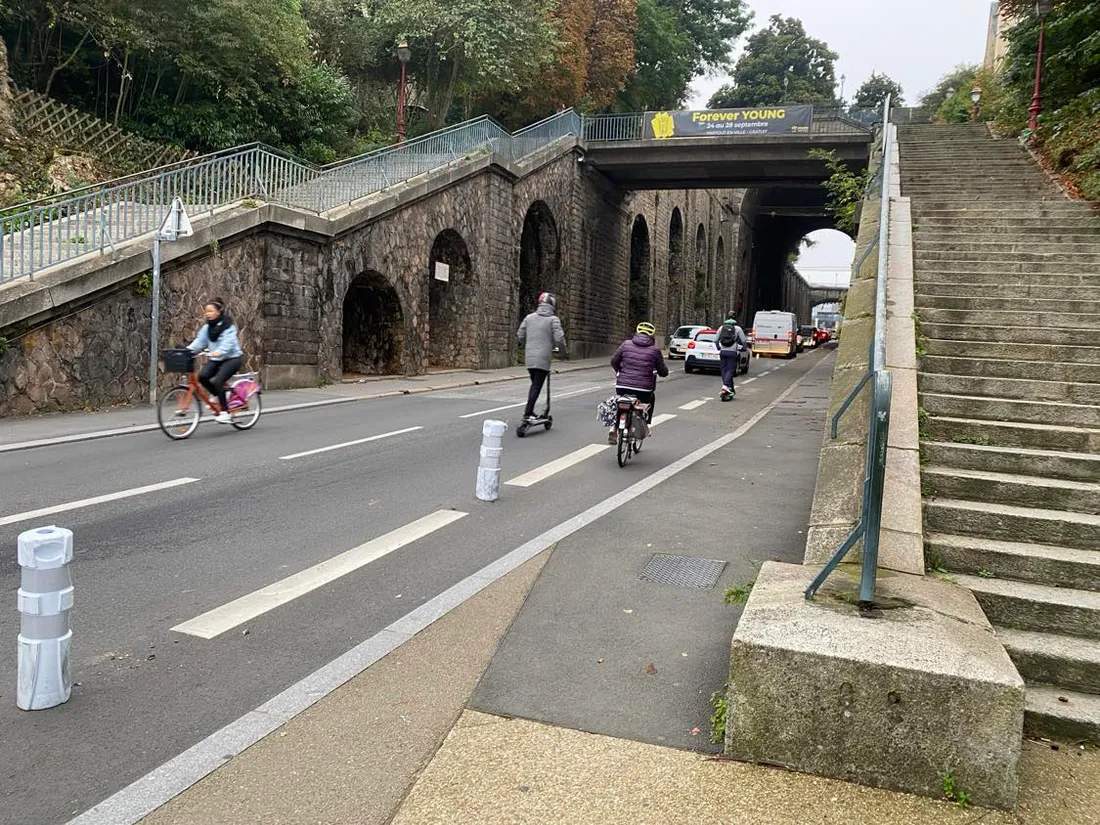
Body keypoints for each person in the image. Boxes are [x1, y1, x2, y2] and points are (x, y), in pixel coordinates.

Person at [608, 321, 668, 443]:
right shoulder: (655, 350)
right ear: (651, 335)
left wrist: (619, 371)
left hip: (622, 384)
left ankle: (614, 427)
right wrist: (663, 373)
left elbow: (614, 361)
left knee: (621, 401)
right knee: (650, 399)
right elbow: (662, 370)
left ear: (637, 332)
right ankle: (647, 424)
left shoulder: (626, 344)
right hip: (643, 389)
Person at [187, 298, 243, 424]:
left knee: (218, 381)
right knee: (202, 377)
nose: (207, 313)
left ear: (219, 312)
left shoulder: (229, 326)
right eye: (206, 311)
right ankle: (219, 395)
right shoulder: (207, 328)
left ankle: (225, 412)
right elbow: (199, 342)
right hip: (216, 359)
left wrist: (220, 351)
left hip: (232, 358)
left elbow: (229, 343)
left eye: (211, 311)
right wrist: (188, 350)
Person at [517, 292, 566, 421]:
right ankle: (527, 413)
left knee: (534, 384)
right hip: (543, 358)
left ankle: (530, 411)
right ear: (552, 304)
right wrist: (562, 351)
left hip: (530, 357)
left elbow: (520, 335)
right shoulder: (553, 320)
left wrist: (528, 345)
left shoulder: (529, 318)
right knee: (536, 386)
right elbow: (559, 338)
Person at [716, 312, 747, 398]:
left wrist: (718, 347)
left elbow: (715, 340)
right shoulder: (738, 329)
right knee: (731, 369)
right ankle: (726, 385)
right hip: (732, 352)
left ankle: (728, 387)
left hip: (723, 351)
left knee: (723, 370)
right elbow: (743, 340)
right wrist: (744, 348)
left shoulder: (721, 328)